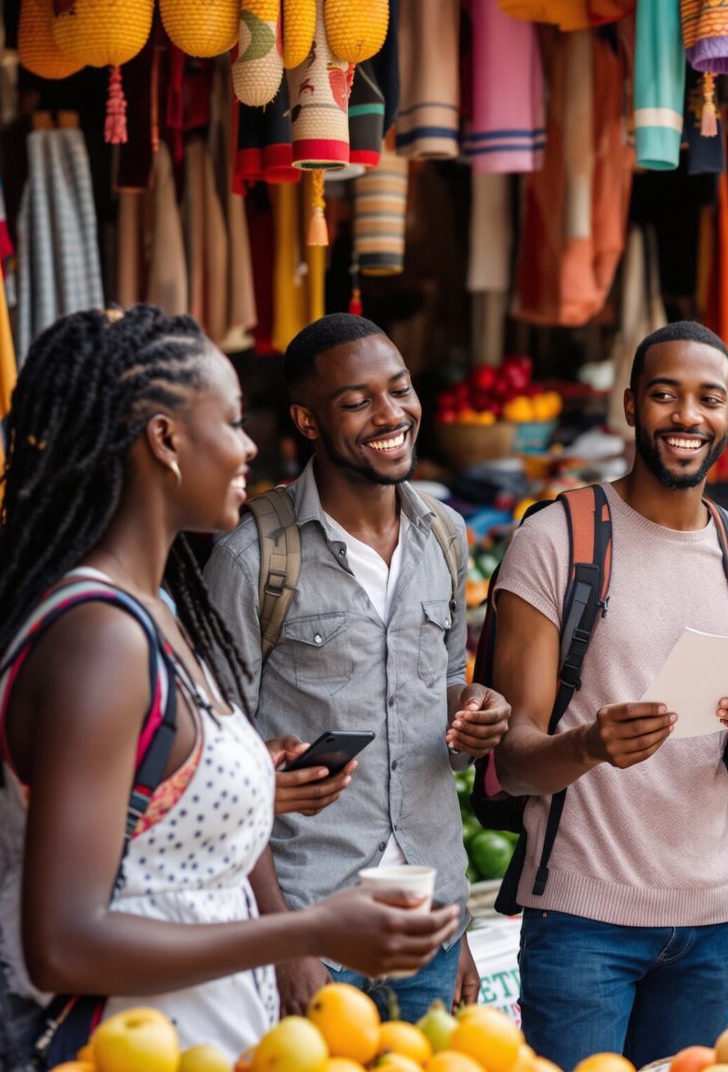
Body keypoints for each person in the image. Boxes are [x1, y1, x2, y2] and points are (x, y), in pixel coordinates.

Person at [0, 307, 457, 1059]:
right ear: (165, 440)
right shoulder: (100, 638)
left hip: (207, 1038)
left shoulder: (155, 611)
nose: (251, 446)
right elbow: (62, 942)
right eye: (230, 421)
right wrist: (310, 931)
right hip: (131, 1045)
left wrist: (253, 773)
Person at [488, 322, 728, 1068]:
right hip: (581, 921)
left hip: (714, 923)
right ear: (630, 406)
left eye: (708, 399)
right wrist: (589, 744)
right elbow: (515, 762)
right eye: (665, 395)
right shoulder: (558, 538)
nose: (687, 416)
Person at [205, 314, 511, 1018]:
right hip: (313, 922)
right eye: (357, 402)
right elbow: (223, 768)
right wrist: (283, 944)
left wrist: (474, 704)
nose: (390, 414)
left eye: (399, 390)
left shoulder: (444, 533)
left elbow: (436, 688)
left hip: (426, 920)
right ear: (307, 422)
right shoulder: (251, 560)